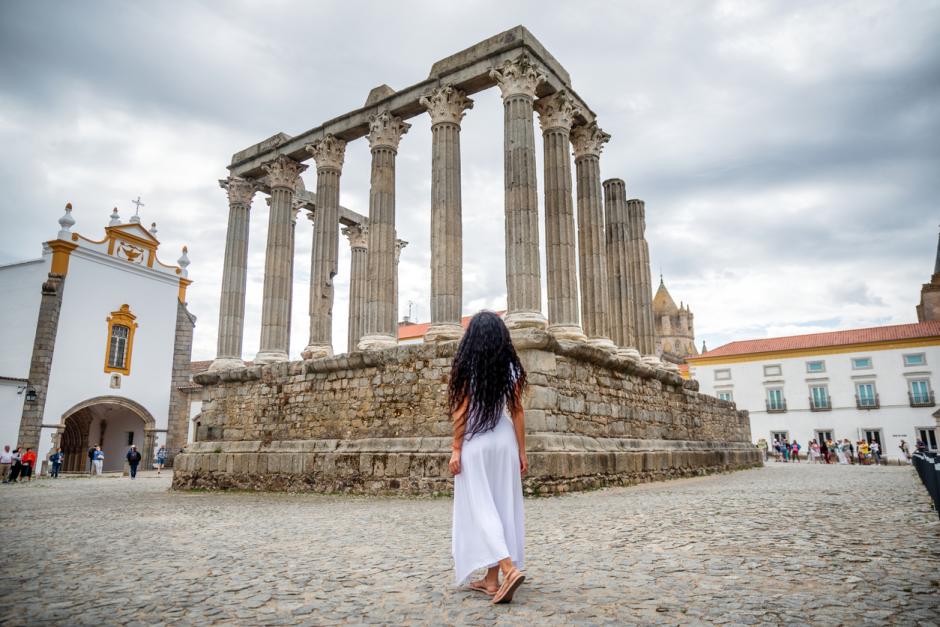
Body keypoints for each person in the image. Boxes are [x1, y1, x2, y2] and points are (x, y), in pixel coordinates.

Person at [448, 311, 526, 604]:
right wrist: (522, 450)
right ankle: (491, 581)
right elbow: (517, 411)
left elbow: (462, 410)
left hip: (476, 442)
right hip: (504, 440)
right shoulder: (510, 367)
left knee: (481, 508)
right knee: (501, 507)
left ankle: (508, 568)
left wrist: (456, 448)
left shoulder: (467, 364)